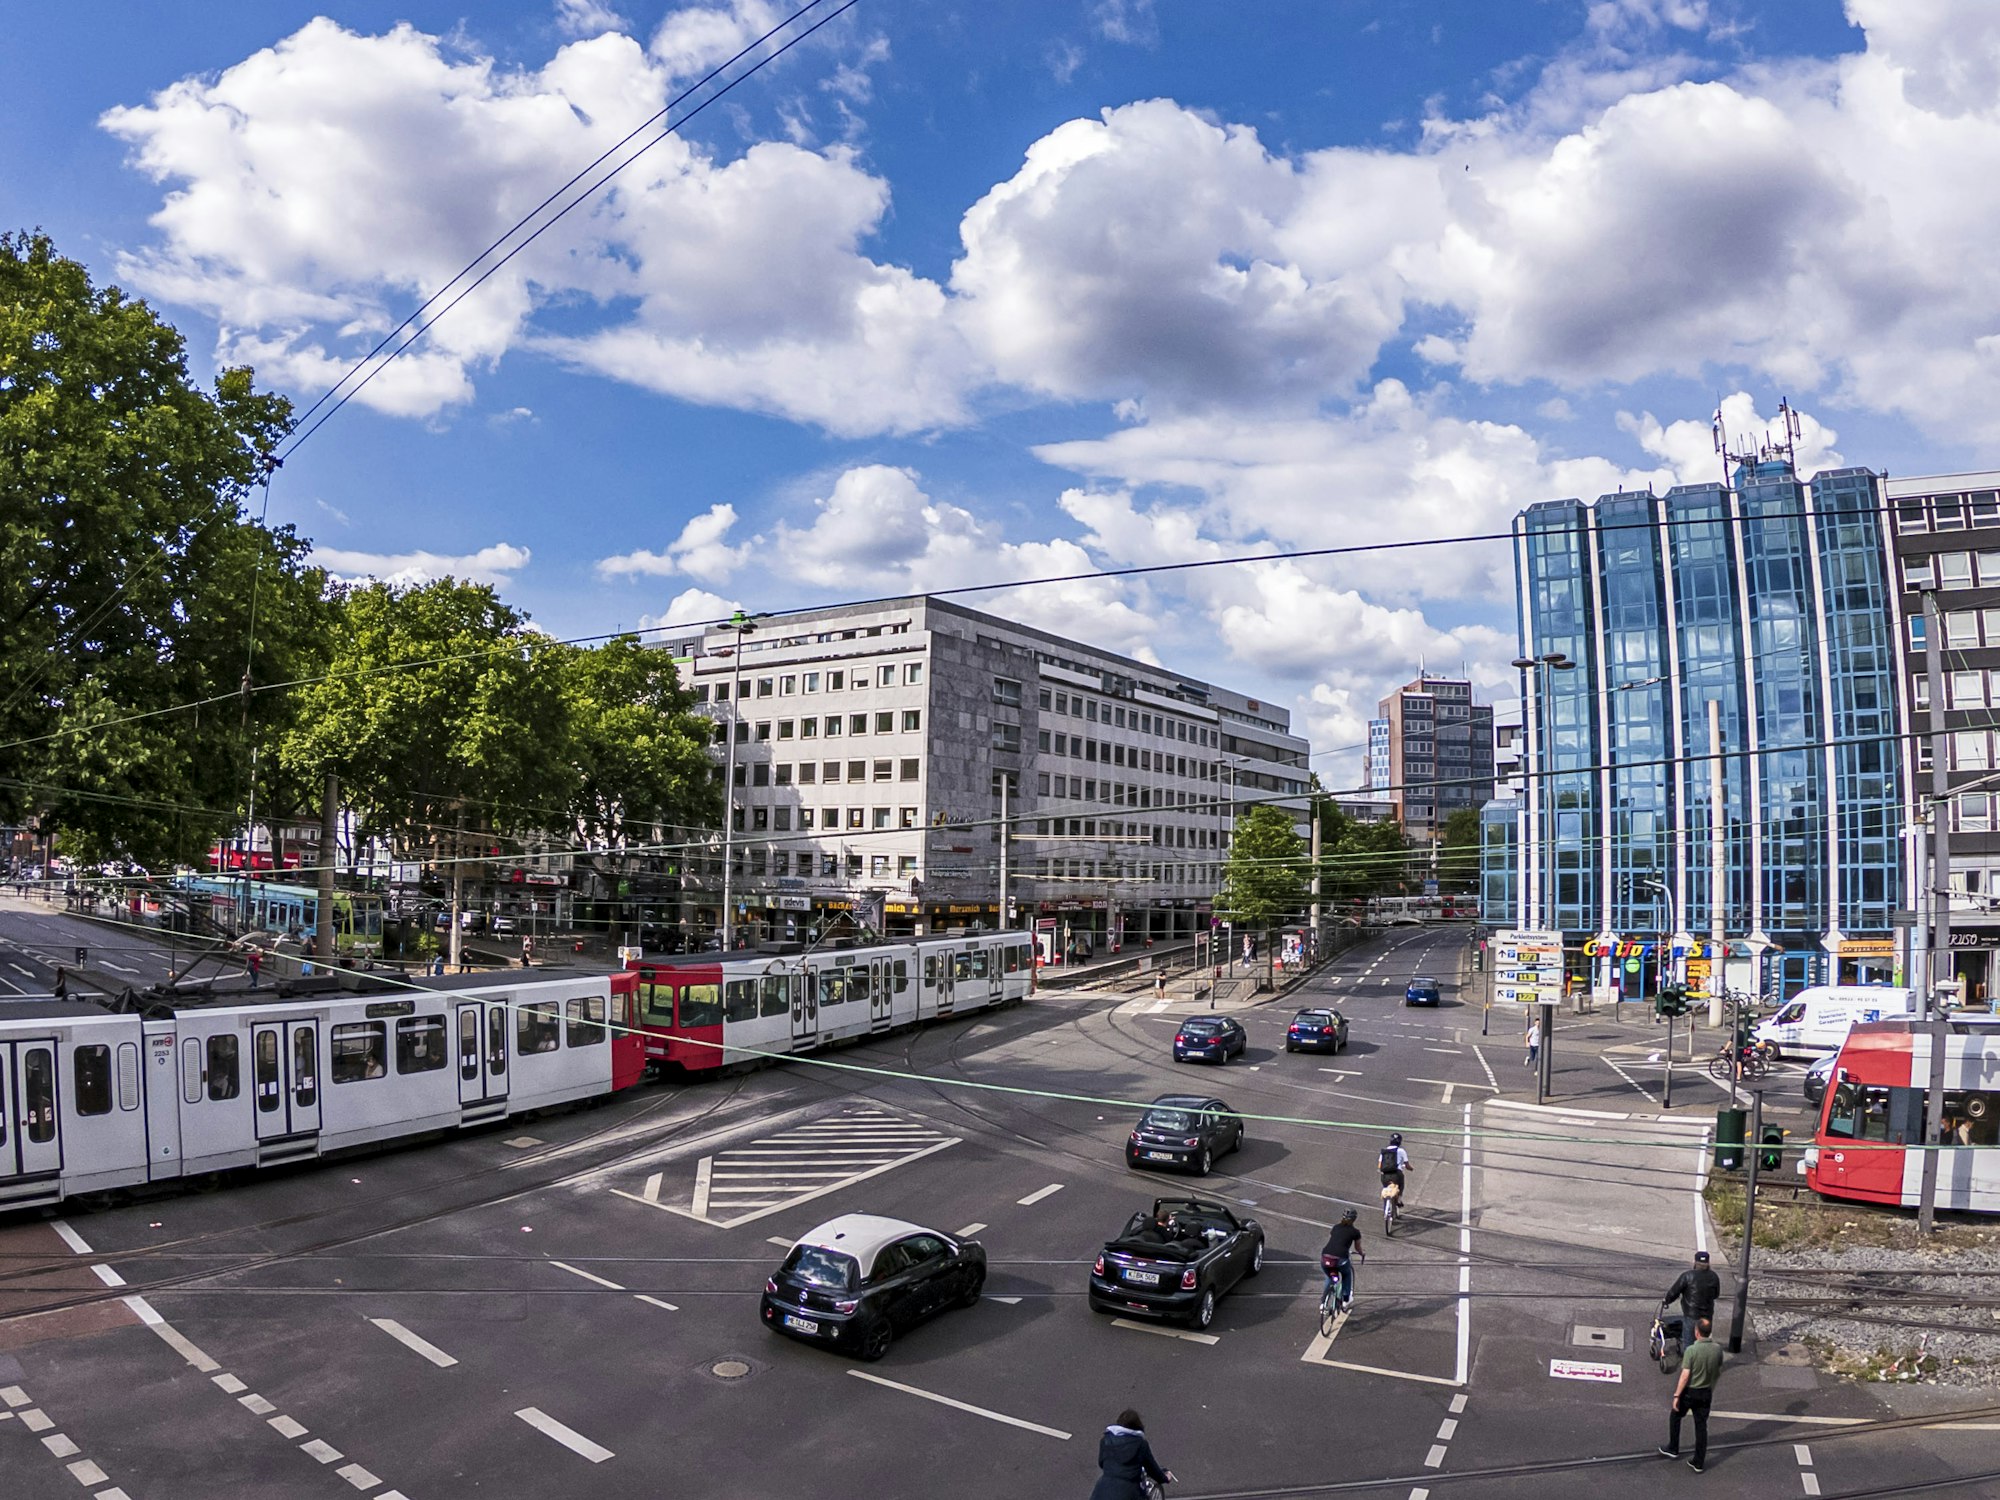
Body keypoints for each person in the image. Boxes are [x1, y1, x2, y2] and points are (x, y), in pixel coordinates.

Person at [1659, 1316, 1723, 1472]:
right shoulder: (1717, 1349)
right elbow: (1716, 1372)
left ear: (1697, 1333)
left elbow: (1685, 1375)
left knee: (1675, 1415)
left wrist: (1676, 1395)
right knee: (1701, 1426)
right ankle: (1698, 1462)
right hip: (1706, 1392)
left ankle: (1673, 1448)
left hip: (1690, 1392)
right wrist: (1710, 1388)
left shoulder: (1691, 1351)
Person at [1090, 1409, 1173, 1500]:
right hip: (1129, 1492)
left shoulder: (1105, 1440)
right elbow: (1151, 1469)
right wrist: (1164, 1478)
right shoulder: (1140, 1444)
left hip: (1102, 1491)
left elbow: (1101, 1463)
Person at [1660, 1250, 1720, 1350]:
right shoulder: (1714, 1276)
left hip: (1691, 1314)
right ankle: (1703, 1361)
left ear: (1695, 1262)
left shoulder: (1687, 1276)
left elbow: (1674, 1292)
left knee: (1688, 1341)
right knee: (1704, 1340)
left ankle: (1689, 1362)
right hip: (1707, 1315)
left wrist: (1666, 1300)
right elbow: (1716, 1295)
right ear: (1708, 1263)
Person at [1321, 1207, 1364, 1313]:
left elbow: (1335, 1240)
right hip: (1340, 1259)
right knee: (1346, 1275)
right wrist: (1362, 1254)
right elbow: (1358, 1248)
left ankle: (1323, 1303)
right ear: (1354, 1219)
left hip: (1325, 1257)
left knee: (1330, 1276)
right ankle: (1345, 1299)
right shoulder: (1355, 1232)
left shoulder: (1335, 1227)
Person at [1378, 1132, 1410, 1205]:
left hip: (1385, 1175)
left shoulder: (1385, 1151)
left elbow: (1379, 1166)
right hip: (1396, 1174)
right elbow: (1407, 1165)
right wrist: (1410, 1168)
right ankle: (1399, 1198)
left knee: (1386, 1186)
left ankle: (1386, 1202)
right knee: (1401, 1184)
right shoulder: (1401, 1151)